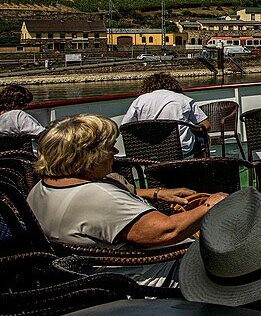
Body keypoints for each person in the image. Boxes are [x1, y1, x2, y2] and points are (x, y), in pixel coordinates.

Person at [27, 114, 227, 287]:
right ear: (88, 157)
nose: (114, 153)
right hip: (152, 275)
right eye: (109, 148)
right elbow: (167, 231)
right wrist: (211, 206)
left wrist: (155, 193)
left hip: (89, 276)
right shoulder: (99, 196)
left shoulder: (41, 189)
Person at [121, 72, 209, 157]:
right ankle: (199, 169)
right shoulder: (184, 100)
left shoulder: (139, 100)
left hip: (148, 150)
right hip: (181, 149)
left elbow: (125, 127)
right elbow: (206, 126)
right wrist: (192, 127)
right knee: (203, 139)